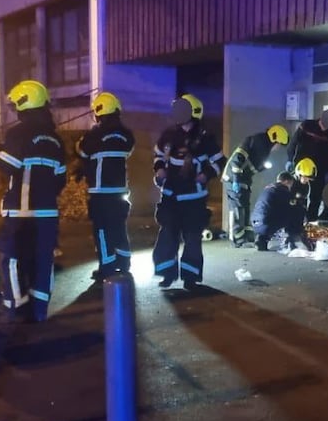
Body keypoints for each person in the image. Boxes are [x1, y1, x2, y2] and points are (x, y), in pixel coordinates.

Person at [0, 80, 66, 323]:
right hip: (47, 213)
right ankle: (39, 311)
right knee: (43, 262)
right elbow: (60, 179)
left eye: (15, 105)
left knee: (12, 259)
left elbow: (7, 164)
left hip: (21, 212)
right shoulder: (56, 139)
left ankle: (16, 308)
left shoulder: (18, 133)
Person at [152, 93, 226, 288]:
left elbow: (219, 161)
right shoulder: (168, 135)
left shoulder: (205, 139)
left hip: (194, 199)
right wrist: (159, 168)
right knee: (167, 235)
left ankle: (190, 278)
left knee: (192, 239)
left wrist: (206, 174)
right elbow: (158, 154)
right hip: (170, 197)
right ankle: (167, 274)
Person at [77, 91, 135, 280]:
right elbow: (128, 150)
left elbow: (82, 151)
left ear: (99, 112)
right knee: (119, 227)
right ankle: (124, 263)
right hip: (120, 191)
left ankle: (107, 266)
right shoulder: (127, 135)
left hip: (100, 192)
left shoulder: (95, 135)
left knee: (102, 230)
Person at [222, 124, 289, 247]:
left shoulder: (263, 147)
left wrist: (262, 167)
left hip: (244, 180)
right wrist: (236, 179)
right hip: (233, 179)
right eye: (279, 144)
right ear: (274, 138)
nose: (278, 148)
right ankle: (236, 238)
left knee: (245, 207)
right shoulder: (255, 141)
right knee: (237, 208)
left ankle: (247, 236)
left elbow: (253, 167)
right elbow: (238, 159)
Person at [287, 108, 328, 221]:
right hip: (301, 168)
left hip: (319, 170)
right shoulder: (307, 125)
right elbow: (293, 143)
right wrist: (290, 159)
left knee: (315, 197)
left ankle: (311, 221)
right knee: (297, 194)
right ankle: (294, 221)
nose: (325, 128)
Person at [251, 172, 295, 251]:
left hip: (255, 223)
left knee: (272, 213)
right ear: (286, 182)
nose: (290, 187)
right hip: (267, 223)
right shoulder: (283, 190)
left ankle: (262, 240)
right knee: (295, 212)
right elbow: (290, 208)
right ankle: (290, 239)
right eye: (290, 184)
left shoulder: (268, 188)